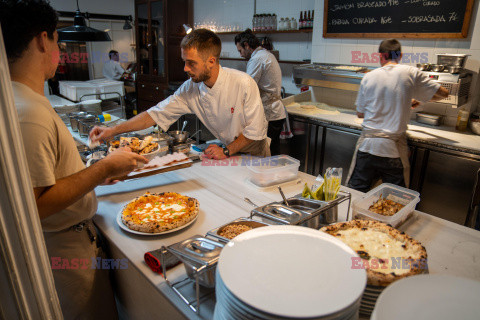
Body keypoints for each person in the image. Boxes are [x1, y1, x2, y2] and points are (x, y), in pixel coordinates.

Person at [0, 1, 148, 318]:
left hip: (68, 240)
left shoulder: (17, 99)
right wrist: (103, 168)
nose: (60, 50)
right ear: (43, 40)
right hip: (64, 250)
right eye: (57, 40)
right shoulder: (30, 112)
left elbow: (47, 178)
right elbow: (36, 204)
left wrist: (91, 174)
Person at [91, 29, 269, 159]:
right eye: (184, 62)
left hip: (254, 153)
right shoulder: (190, 88)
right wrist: (113, 130)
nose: (185, 69)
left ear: (211, 61)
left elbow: (255, 131)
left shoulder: (243, 83)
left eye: (191, 63)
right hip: (228, 151)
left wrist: (226, 150)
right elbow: (155, 114)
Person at [346, 39, 449, 192]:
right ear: (400, 55)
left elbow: (360, 113)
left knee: (355, 194)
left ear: (381, 56)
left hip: (367, 147)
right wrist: (417, 100)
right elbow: (443, 93)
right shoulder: (411, 72)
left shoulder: (368, 76)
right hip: (393, 151)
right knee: (395, 199)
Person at [235, 29, 286, 155]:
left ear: (246, 45)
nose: (241, 55)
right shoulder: (266, 54)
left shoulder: (257, 59)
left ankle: (270, 174)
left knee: (267, 150)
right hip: (275, 111)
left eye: (240, 50)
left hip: (270, 113)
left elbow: (247, 87)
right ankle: (273, 173)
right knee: (273, 149)